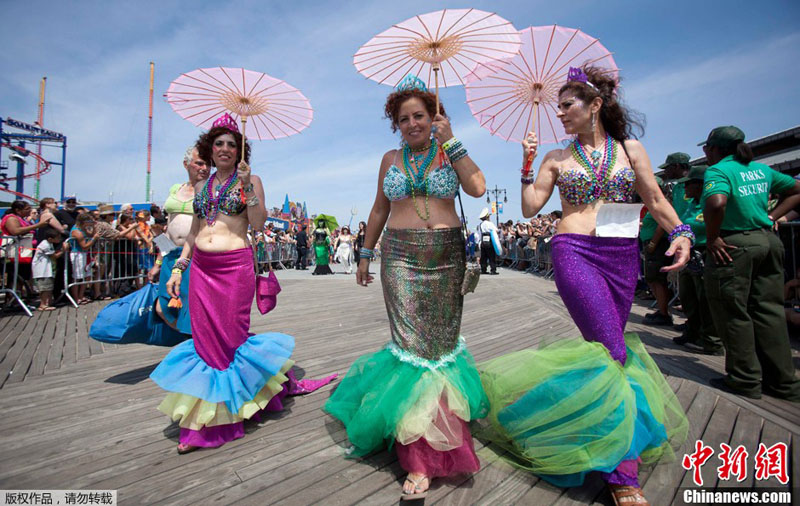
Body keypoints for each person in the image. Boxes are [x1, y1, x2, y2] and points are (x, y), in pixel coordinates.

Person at [478, 66, 691, 505]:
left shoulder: (630, 149)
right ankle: (622, 474)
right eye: (556, 106)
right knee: (613, 349)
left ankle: (546, 416)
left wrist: (681, 232)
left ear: (595, 106)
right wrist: (525, 164)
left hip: (620, 256)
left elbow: (653, 197)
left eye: (567, 105)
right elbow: (531, 204)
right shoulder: (556, 157)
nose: (559, 113)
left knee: (606, 350)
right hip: (573, 251)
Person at [324, 75, 489, 500]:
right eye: (404, 118)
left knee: (439, 346)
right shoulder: (390, 157)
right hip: (399, 257)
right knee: (412, 347)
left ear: (433, 115)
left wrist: (452, 141)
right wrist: (364, 253)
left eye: (420, 115)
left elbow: (478, 188)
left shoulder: (448, 150)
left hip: (445, 256)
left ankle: (441, 432)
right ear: (395, 123)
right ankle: (417, 455)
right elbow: (379, 207)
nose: (413, 124)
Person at [150, 114, 335, 454]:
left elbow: (258, 221)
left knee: (231, 337)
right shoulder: (204, 186)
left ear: (240, 150)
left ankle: (230, 411)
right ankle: (204, 420)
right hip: (202, 271)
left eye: (231, 144)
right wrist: (178, 267)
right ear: (210, 148)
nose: (224, 149)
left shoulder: (251, 180)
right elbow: (193, 232)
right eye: (219, 143)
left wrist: (248, 186)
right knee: (206, 340)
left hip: (234, 268)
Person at [701, 125, 800, 401]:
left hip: (735, 246)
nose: (706, 153)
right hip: (768, 242)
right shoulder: (761, 170)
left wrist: (712, 238)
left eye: (707, 148)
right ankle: (784, 383)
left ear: (718, 149)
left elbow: (716, 203)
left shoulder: (719, 170)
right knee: (769, 311)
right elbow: (797, 190)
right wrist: (772, 218)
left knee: (732, 310)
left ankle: (744, 379)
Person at [147, 145, 209, 333]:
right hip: (170, 254)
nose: (204, 168)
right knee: (162, 307)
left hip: (193, 255)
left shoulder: (210, 191)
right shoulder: (176, 188)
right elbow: (167, 229)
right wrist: (158, 262)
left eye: (208, 164)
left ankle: (197, 344)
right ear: (186, 164)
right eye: (199, 163)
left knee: (191, 307)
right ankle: (192, 340)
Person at [671, 165, 723, 355]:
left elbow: (700, 227)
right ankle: (692, 331)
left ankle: (710, 340)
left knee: (706, 300)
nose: (685, 189)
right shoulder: (691, 205)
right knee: (688, 296)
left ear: (700, 185)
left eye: (688, 185)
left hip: (704, 253)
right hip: (689, 255)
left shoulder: (710, 203)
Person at [639, 176, 673, 326]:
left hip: (657, 245)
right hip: (651, 244)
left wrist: (653, 243)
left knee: (657, 279)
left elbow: (661, 225)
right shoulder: (651, 204)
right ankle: (661, 310)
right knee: (652, 279)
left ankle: (664, 313)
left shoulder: (660, 204)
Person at [2, 201, 48, 298]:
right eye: (27, 209)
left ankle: (18, 299)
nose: (30, 211)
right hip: (14, 253)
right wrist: (38, 225)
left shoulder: (21, 218)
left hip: (24, 253)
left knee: (22, 277)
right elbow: (15, 231)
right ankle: (11, 299)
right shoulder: (11, 218)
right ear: (18, 210)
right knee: (15, 277)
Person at [69, 213, 100, 305]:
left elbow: (91, 235)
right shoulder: (76, 231)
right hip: (77, 254)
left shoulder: (83, 229)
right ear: (84, 222)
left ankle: (81, 296)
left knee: (86, 276)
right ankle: (76, 298)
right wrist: (94, 239)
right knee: (77, 277)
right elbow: (84, 246)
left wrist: (94, 227)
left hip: (85, 255)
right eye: (89, 221)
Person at [32, 229, 67, 311]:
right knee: (45, 288)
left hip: (47, 270)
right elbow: (54, 256)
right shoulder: (45, 245)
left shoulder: (49, 243)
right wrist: (63, 250)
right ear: (50, 239)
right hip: (42, 270)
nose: (59, 240)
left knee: (48, 287)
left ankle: (48, 302)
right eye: (57, 238)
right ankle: (43, 304)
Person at [477, 208, 499, 275]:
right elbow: (496, 230)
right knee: (491, 256)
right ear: (487, 216)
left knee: (483, 256)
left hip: (483, 241)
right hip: (490, 241)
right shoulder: (490, 223)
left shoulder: (480, 225)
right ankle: (493, 270)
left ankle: (483, 269)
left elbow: (479, 234)